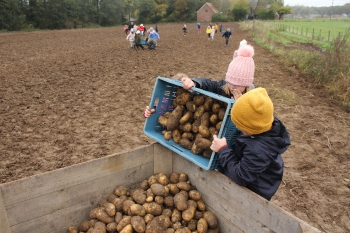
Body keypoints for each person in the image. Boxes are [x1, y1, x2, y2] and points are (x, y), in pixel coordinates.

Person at [210, 87, 291, 200]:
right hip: (253, 167)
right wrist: (244, 106)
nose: (238, 128)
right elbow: (253, 116)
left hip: (255, 189)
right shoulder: (264, 121)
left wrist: (223, 149)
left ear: (253, 129)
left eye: (242, 127)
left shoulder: (259, 150)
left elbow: (240, 176)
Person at [143, 45, 256, 117]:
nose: (233, 87)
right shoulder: (222, 87)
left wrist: (242, 106)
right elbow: (208, 84)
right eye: (231, 81)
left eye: (239, 84)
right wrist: (195, 83)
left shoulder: (253, 99)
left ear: (247, 84)